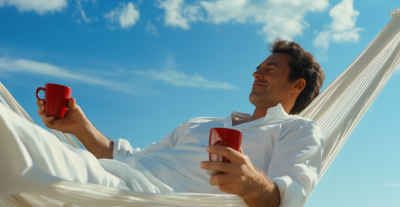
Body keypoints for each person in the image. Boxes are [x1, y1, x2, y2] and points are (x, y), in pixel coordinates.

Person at [34, 38, 325, 207]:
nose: (256, 74)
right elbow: (131, 157)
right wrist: (81, 126)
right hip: (113, 177)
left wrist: (253, 183)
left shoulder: (298, 130)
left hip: (151, 198)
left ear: (297, 85)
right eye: (257, 68)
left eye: (270, 69)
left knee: (22, 148)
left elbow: (289, 196)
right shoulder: (198, 123)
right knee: (34, 154)